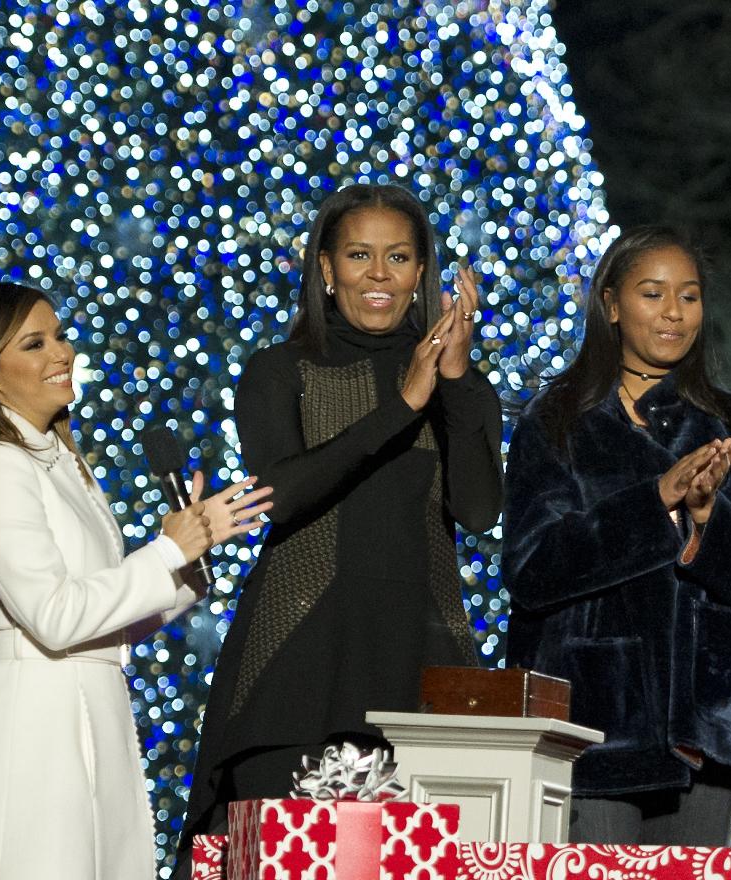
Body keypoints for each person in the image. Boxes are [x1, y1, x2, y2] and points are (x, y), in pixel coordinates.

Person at [0, 282, 272, 880]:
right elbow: (55, 618)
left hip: (88, 711)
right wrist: (164, 551)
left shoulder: (57, 460)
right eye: (34, 343)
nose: (61, 353)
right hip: (34, 723)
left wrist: (189, 562)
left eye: (58, 335)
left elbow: (103, 621)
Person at [180, 184, 503, 848]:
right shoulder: (281, 370)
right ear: (326, 269)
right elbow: (281, 495)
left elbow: (479, 510)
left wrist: (458, 378)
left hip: (424, 673)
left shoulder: (458, 386)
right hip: (299, 670)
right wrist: (402, 406)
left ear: (423, 272)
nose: (380, 275)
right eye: (359, 255)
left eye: (400, 257)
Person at [502, 226, 731, 845]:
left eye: (689, 296)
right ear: (611, 305)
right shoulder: (555, 421)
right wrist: (654, 501)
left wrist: (707, 517)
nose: (673, 312)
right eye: (653, 293)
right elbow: (533, 570)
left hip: (708, 734)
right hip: (590, 734)